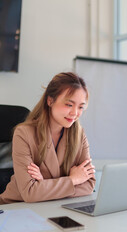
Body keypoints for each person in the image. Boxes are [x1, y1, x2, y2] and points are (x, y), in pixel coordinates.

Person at [0, 72, 95, 204]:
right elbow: (30, 193)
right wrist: (73, 180)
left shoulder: (79, 135)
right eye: (69, 104)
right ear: (50, 100)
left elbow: (89, 185)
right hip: (16, 207)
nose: (75, 113)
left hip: (53, 206)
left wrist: (44, 184)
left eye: (80, 107)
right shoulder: (24, 133)